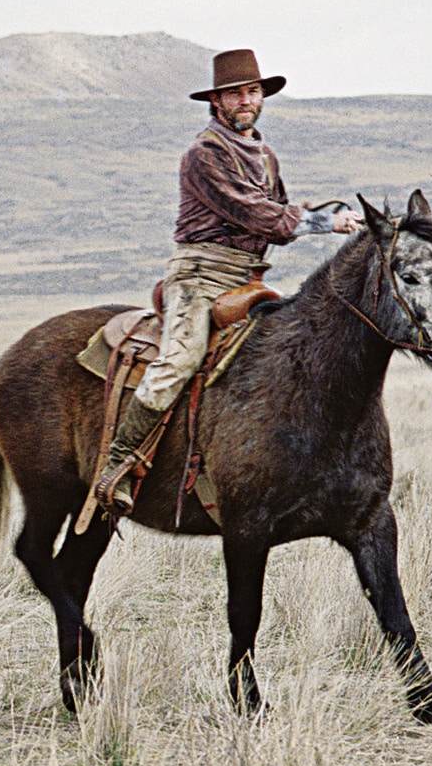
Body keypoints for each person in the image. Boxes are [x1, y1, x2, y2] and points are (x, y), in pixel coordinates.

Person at [96, 49, 363, 509]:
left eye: (253, 91)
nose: (246, 100)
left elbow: (277, 222)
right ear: (216, 101)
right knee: (179, 360)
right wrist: (325, 223)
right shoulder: (204, 153)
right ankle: (117, 462)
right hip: (199, 275)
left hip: (248, 277)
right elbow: (257, 213)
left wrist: (319, 219)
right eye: (236, 93)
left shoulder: (265, 155)